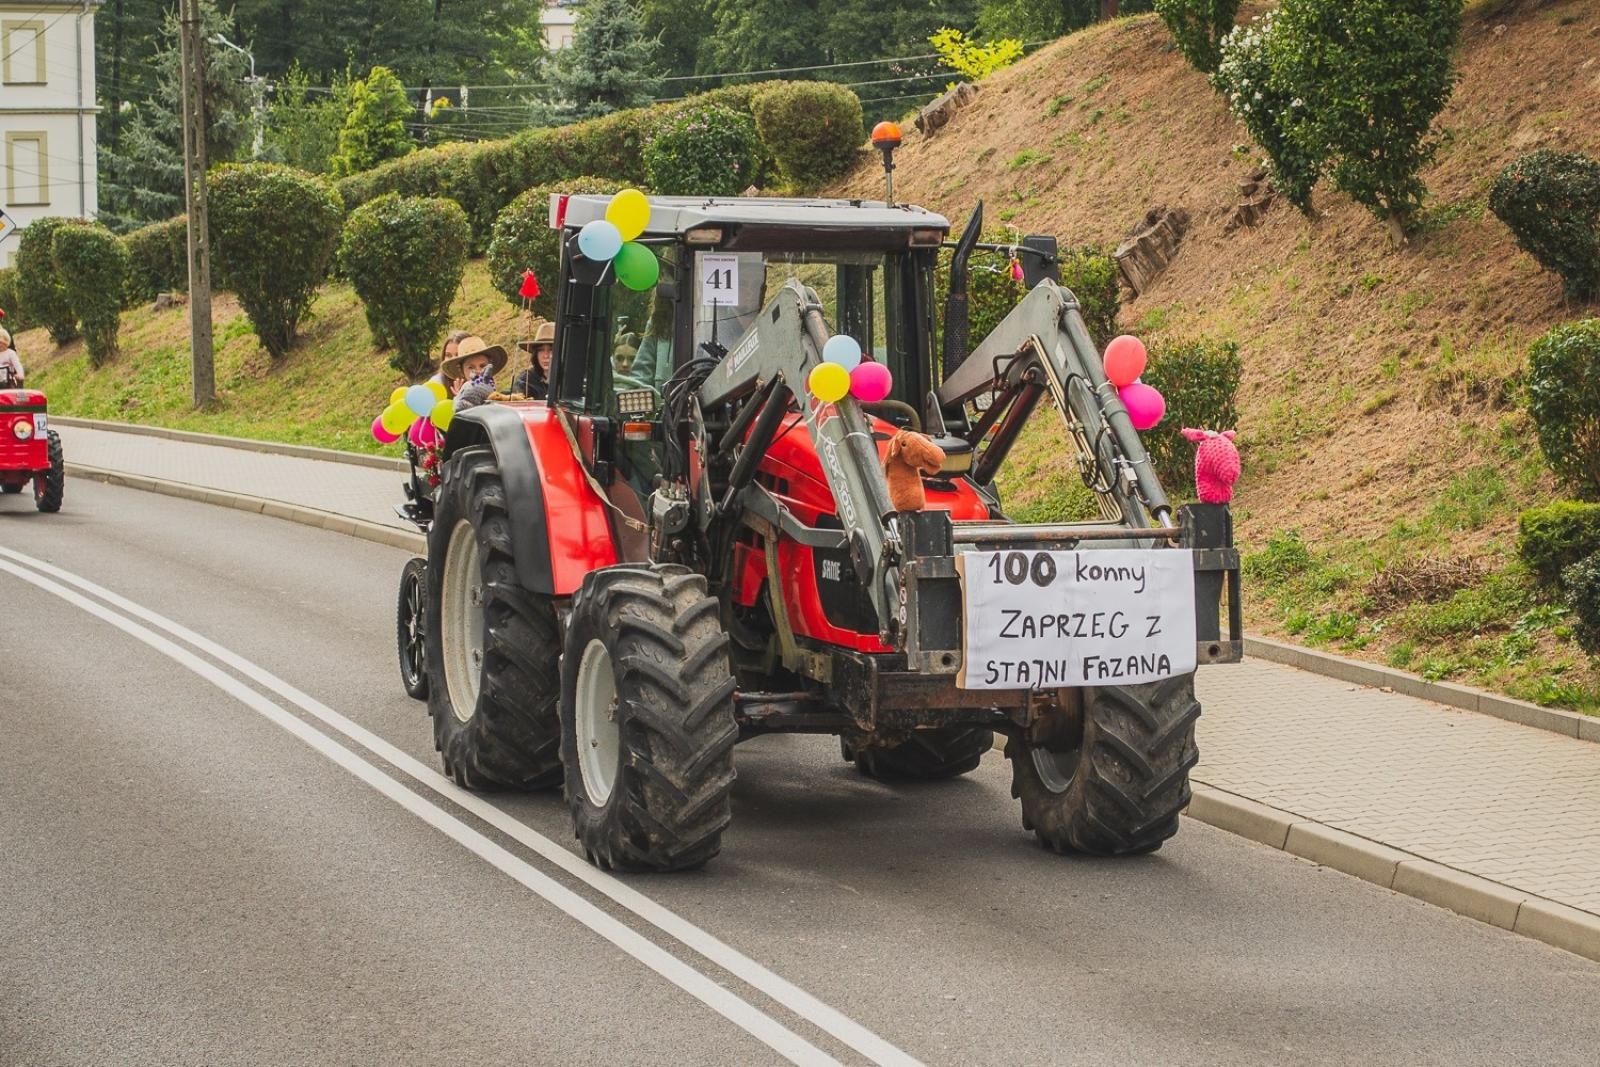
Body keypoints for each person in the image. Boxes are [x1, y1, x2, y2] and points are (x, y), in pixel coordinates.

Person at [439, 335, 508, 409]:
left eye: (482, 366)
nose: (478, 371)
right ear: (462, 371)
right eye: (471, 367)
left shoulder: (497, 397)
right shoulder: (460, 399)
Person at [512, 320, 554, 400]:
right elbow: (517, 400)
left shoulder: (569, 380)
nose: (546, 355)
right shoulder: (525, 381)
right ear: (535, 354)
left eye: (551, 349)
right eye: (541, 350)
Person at [432, 329, 471, 394]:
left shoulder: (481, 380)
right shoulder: (437, 383)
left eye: (458, 354)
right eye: (448, 355)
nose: (452, 360)